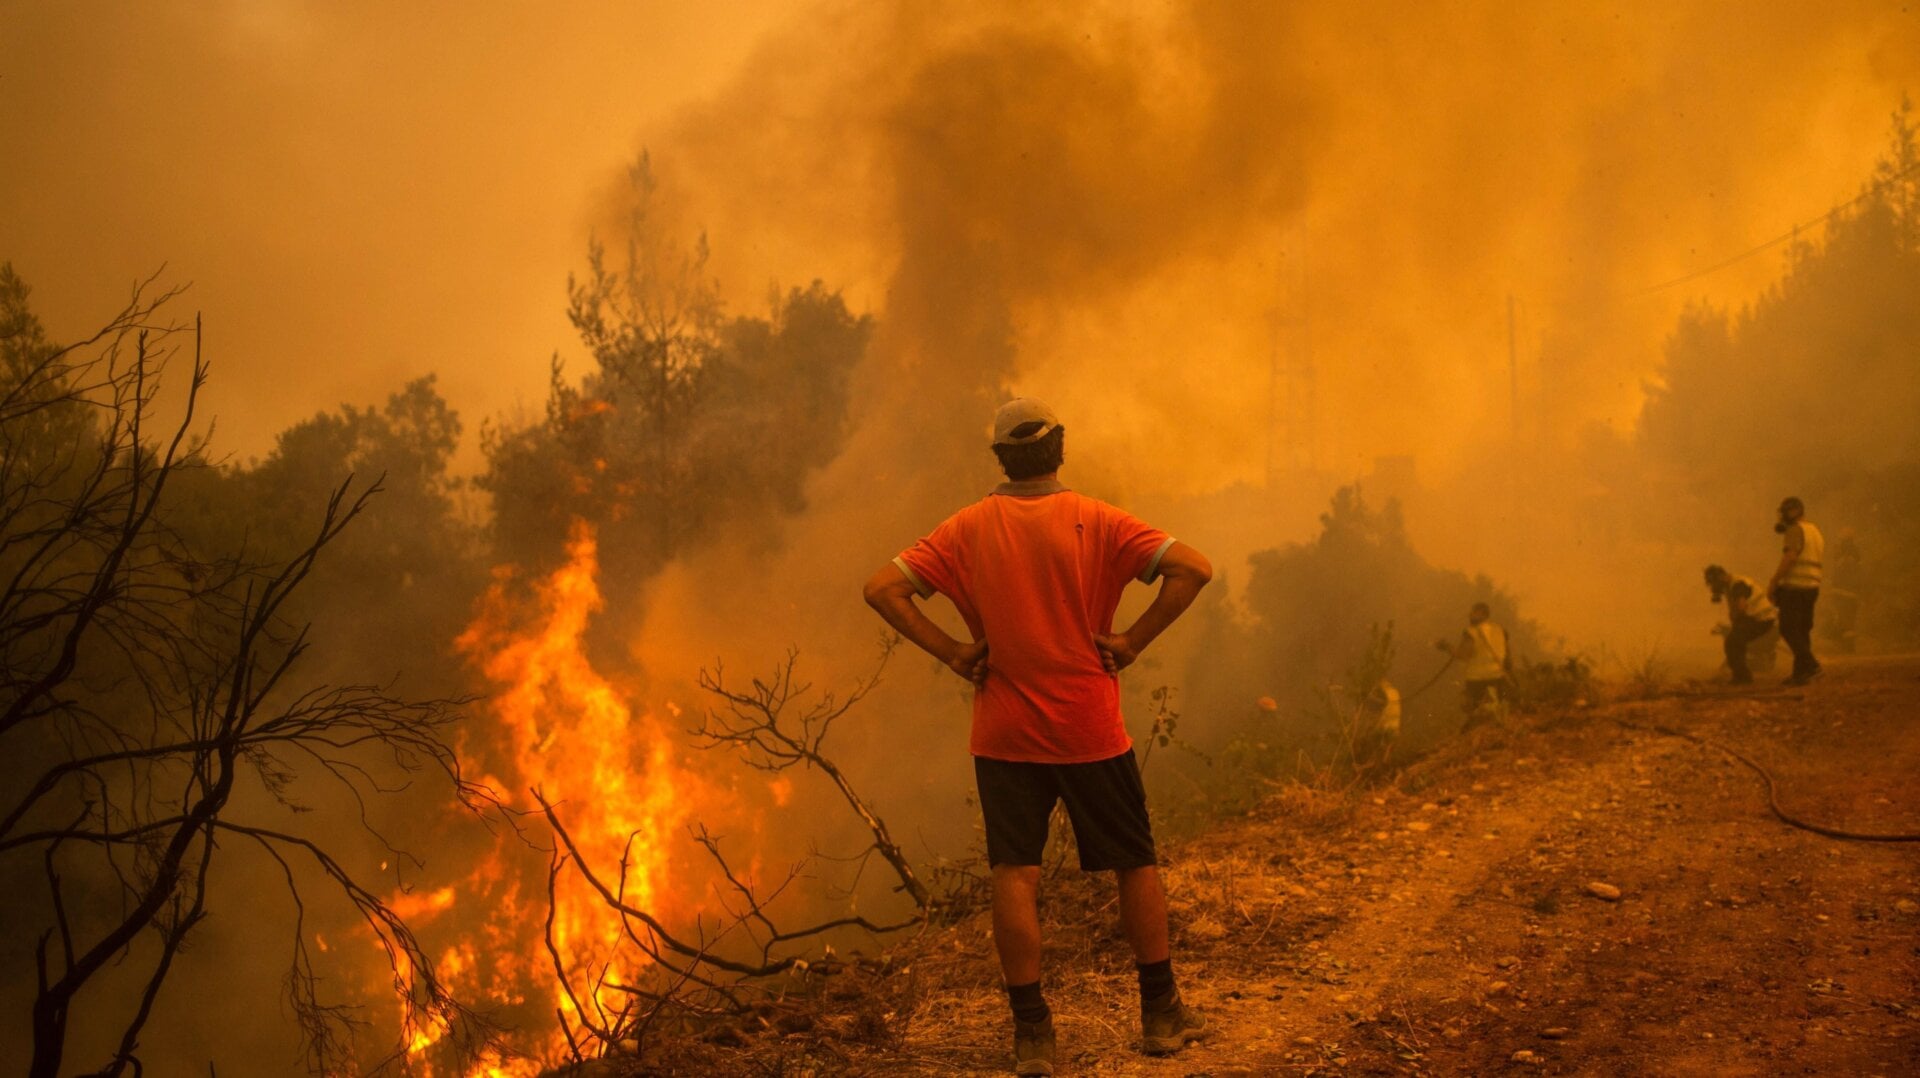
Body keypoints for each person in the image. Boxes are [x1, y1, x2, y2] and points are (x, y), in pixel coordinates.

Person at [862, 398, 1214, 1074]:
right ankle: (1161, 1012)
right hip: (1090, 729)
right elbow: (1193, 568)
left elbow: (882, 589)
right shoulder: (1099, 520)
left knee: (1013, 874)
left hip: (1004, 733)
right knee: (1134, 864)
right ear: (1059, 448)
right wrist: (1132, 640)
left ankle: (1033, 1036)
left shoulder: (965, 530)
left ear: (1001, 458)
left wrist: (956, 653)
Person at [1767, 496, 1824, 685]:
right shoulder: (1814, 530)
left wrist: (1774, 581)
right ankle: (1801, 674)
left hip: (1796, 588)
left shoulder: (1794, 530)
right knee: (1802, 630)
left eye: (1784, 511)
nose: (1782, 516)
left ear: (1793, 511)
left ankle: (1811, 665)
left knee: (1788, 628)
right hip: (1812, 587)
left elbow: (1790, 557)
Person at [1703, 564, 1778, 684]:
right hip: (1760, 618)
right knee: (1735, 641)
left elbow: (1741, 607)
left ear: (1721, 577)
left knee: (1732, 642)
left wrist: (1736, 620)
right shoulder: (1732, 584)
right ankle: (1741, 675)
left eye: (1714, 583)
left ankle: (1743, 677)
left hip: (1761, 619)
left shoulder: (1737, 584)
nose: (1714, 588)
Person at [1441, 602, 1509, 726]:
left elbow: (1464, 655)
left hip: (1477, 679)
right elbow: (1506, 654)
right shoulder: (1499, 630)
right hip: (1498, 677)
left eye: (1473, 612)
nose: (1469, 615)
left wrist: (1446, 647)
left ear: (1482, 614)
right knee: (1496, 712)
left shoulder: (1471, 632)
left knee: (1474, 713)